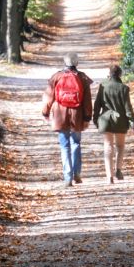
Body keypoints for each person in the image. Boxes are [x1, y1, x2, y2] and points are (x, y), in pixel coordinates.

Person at [41, 52, 93, 187]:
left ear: (65, 62)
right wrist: (87, 117)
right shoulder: (82, 78)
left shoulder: (56, 77)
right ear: (77, 63)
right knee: (76, 143)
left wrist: (45, 113)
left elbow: (48, 97)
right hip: (77, 114)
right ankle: (77, 173)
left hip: (60, 114)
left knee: (64, 146)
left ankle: (67, 177)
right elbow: (87, 101)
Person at [93, 64, 134, 184]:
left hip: (106, 121)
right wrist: (133, 123)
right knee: (120, 146)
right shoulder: (124, 88)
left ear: (109, 74)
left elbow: (97, 105)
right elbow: (128, 108)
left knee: (108, 146)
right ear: (120, 75)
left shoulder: (103, 86)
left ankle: (109, 176)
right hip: (121, 122)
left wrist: (95, 118)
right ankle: (118, 169)